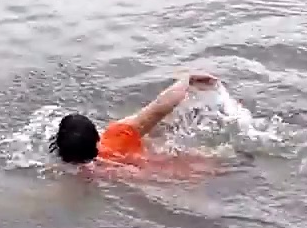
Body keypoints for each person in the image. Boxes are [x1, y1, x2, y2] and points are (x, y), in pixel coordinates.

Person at [49, 72, 223, 175]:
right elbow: (159, 108)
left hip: (162, 175)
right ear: (96, 136)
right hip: (161, 160)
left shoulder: (74, 175)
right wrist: (188, 79)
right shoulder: (116, 135)